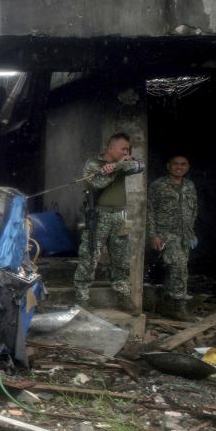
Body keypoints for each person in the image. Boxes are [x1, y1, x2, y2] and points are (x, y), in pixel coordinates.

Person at [74, 132, 145, 312]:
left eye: (127, 149)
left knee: (121, 257)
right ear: (111, 148)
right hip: (99, 215)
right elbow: (94, 184)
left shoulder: (124, 162)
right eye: (123, 148)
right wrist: (112, 169)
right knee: (90, 256)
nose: (126, 151)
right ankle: (82, 298)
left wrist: (119, 165)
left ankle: (122, 296)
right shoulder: (93, 164)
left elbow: (139, 166)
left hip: (120, 216)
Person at [147, 155, 198, 321]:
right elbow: (149, 211)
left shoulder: (189, 186)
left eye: (183, 164)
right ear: (169, 166)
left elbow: (194, 209)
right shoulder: (158, 186)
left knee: (174, 269)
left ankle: (167, 305)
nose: (179, 167)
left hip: (184, 235)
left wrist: (191, 231)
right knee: (179, 267)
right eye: (175, 164)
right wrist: (153, 235)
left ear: (187, 167)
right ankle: (178, 306)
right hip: (165, 234)